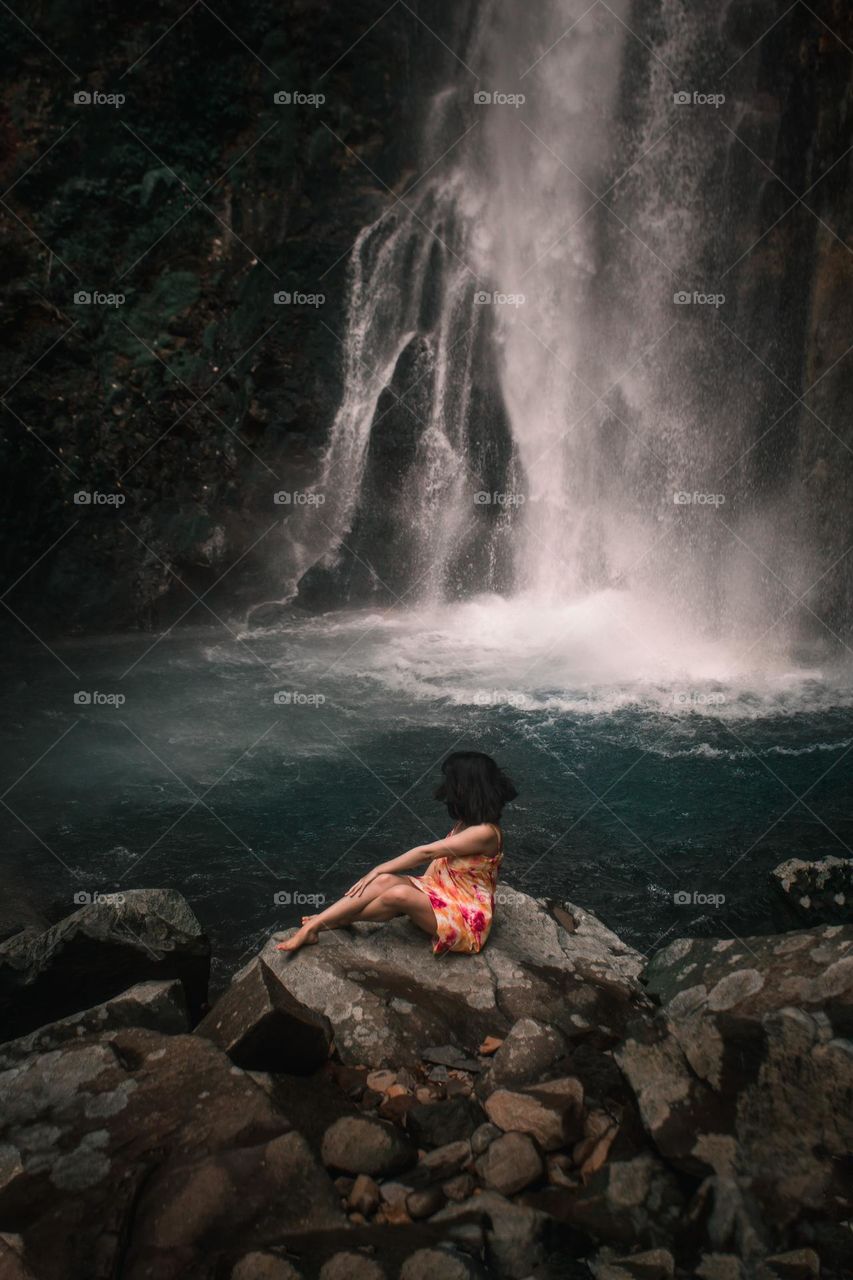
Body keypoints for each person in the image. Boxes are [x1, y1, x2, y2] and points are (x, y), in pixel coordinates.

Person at [275, 750, 517, 956]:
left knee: (398, 893)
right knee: (385, 882)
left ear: (467, 787)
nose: (448, 788)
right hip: (444, 895)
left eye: (453, 782)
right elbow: (439, 865)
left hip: (466, 920)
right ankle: (321, 923)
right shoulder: (466, 823)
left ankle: (329, 922)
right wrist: (409, 883)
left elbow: (428, 853)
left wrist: (380, 867)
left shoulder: (485, 833)